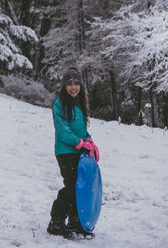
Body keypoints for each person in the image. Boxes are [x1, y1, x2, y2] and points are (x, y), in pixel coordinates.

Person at [47, 66, 100, 238]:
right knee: (72, 186)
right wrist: (80, 144)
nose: (73, 87)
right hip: (65, 152)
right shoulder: (59, 104)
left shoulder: (79, 105)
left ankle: (76, 223)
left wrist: (89, 141)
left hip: (78, 152)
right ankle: (56, 220)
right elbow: (63, 131)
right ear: (64, 86)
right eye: (69, 83)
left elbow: (82, 130)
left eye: (76, 83)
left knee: (80, 187)